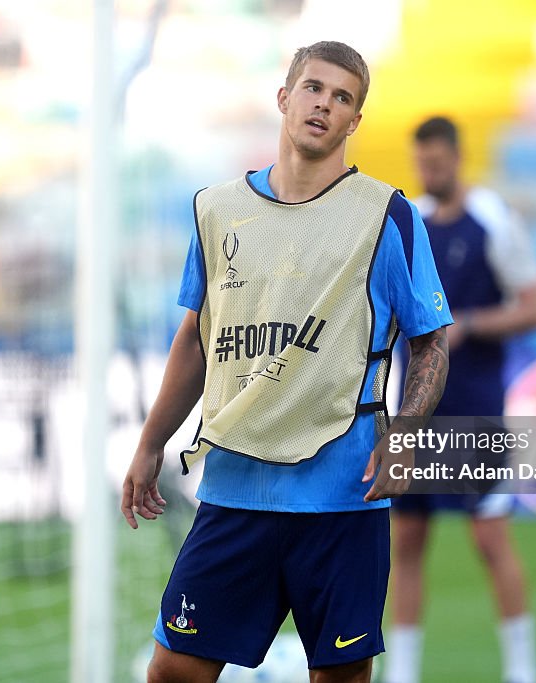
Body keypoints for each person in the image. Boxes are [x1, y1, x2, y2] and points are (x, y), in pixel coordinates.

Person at [121, 42, 453, 683]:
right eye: (313, 88)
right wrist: (149, 444)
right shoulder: (217, 212)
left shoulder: (388, 216)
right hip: (236, 489)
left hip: (343, 496)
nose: (324, 105)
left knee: (339, 680)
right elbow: (193, 340)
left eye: (342, 98)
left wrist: (406, 436)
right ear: (284, 97)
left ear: (355, 121)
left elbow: (431, 342)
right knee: (172, 673)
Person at [384, 116, 536, 683]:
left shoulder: (493, 221)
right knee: (405, 538)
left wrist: (471, 323)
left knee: (489, 537)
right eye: (421, 162)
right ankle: (402, 672)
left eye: (436, 161)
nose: (429, 171)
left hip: (475, 405)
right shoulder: (409, 224)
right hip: (415, 408)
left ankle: (522, 670)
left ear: (457, 156)